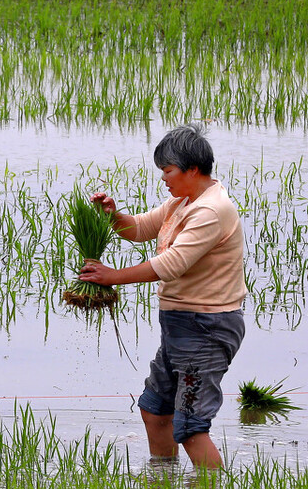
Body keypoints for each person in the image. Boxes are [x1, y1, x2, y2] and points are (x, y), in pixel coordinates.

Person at [78, 123, 245, 469]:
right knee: (154, 408)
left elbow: (172, 263)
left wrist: (112, 277)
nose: (164, 178)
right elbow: (138, 229)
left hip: (207, 326)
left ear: (192, 169)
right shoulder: (181, 202)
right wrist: (112, 215)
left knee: (191, 426)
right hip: (180, 324)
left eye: (168, 171)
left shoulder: (211, 210)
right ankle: (164, 485)